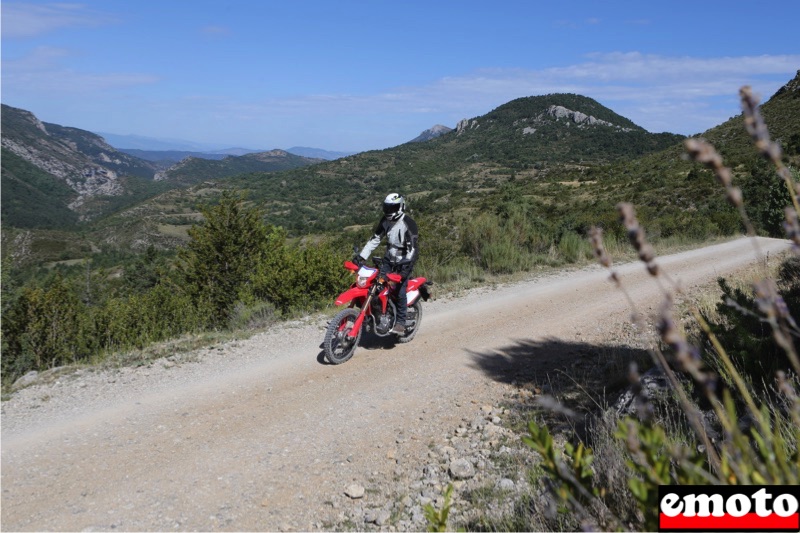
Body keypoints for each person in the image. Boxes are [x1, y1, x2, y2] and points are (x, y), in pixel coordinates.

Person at [354, 193, 419, 335]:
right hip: (389, 259)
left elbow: (412, 249)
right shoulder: (385, 221)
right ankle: (377, 315)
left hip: (404, 261)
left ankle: (401, 322)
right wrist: (361, 256)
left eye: (393, 208)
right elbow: (375, 239)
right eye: (387, 208)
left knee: (400, 291)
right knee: (376, 285)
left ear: (401, 207)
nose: (389, 211)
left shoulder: (409, 223)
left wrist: (405, 269)